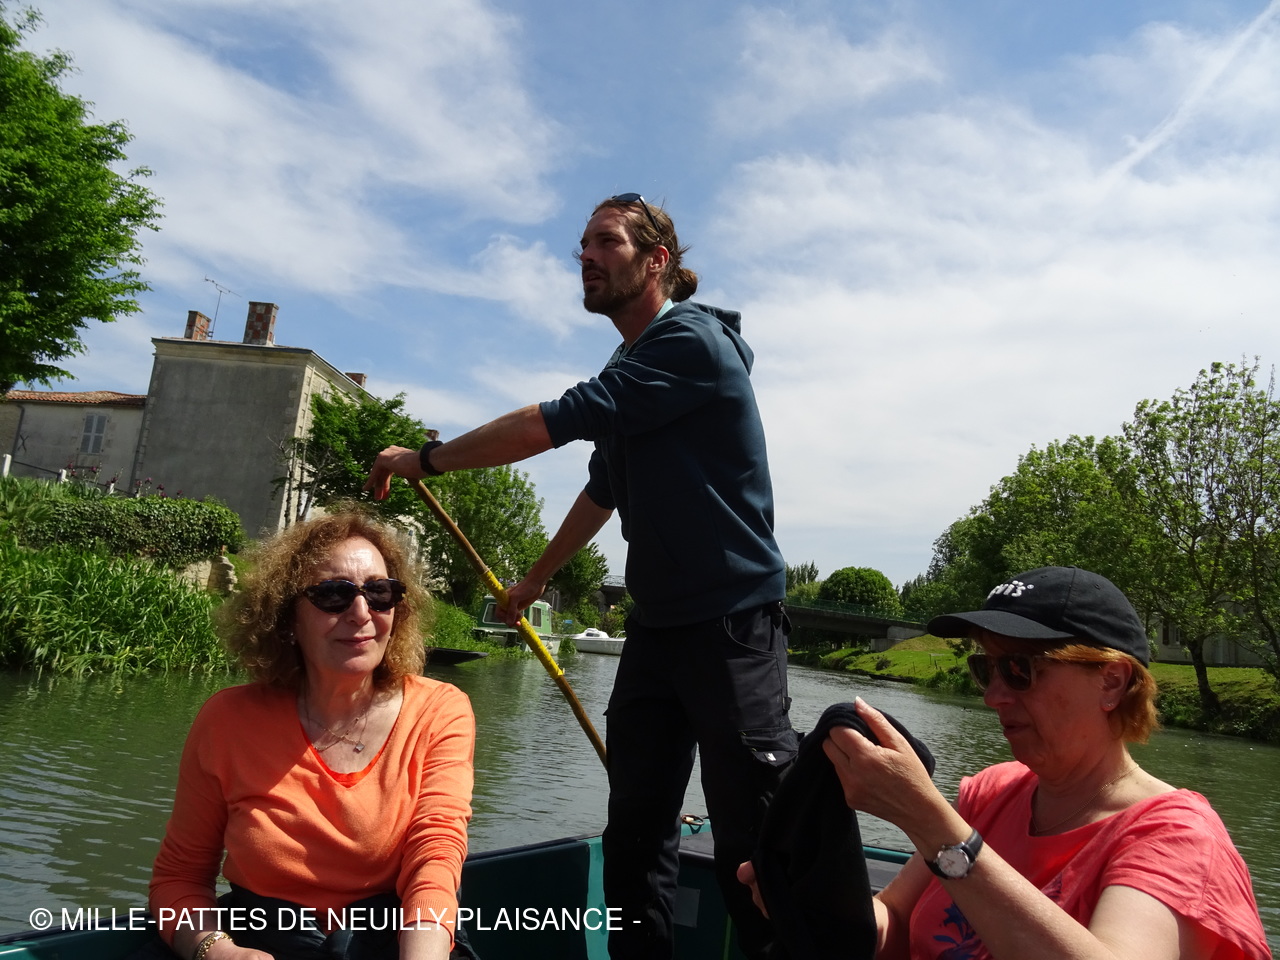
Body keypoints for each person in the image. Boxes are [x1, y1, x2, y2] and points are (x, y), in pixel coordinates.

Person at [365, 194, 795, 959]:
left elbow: (549, 425)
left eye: (606, 242)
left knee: (754, 840)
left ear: (656, 261)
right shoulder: (629, 366)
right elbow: (603, 489)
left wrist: (425, 459)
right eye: (583, 245)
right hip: (657, 630)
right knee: (634, 835)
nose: (586, 257)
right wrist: (534, 579)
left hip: (733, 623)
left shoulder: (691, 342)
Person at [739, 565, 1272, 960]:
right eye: (986, 669)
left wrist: (927, 820)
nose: (994, 696)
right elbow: (894, 920)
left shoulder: (1178, 839)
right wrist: (815, 901)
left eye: (1019, 670)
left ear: (1111, 682)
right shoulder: (993, 793)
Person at [148, 508, 475, 960]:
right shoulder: (226, 720)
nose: (361, 613)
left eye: (379, 593)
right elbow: (179, 878)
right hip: (258, 938)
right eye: (333, 595)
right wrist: (217, 951)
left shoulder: (440, 711)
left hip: (394, 941)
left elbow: (434, 859)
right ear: (287, 618)